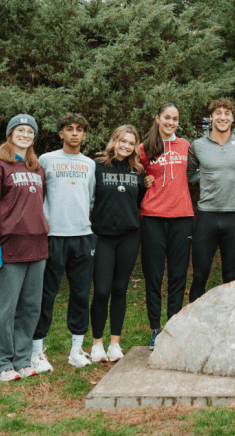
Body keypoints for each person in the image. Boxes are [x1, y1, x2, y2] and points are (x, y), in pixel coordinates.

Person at [0, 114, 49, 381]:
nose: (25, 135)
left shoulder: (36, 169)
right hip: (9, 249)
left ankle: (21, 360)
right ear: (10, 134)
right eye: (20, 130)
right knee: (4, 310)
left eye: (30, 131)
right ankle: (1, 364)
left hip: (38, 247)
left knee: (30, 308)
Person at [31, 113, 97, 371]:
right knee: (46, 294)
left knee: (81, 294)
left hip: (82, 236)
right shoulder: (46, 160)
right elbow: (37, 194)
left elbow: (90, 197)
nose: (73, 134)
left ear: (84, 135)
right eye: (68, 129)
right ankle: (36, 352)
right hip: (53, 236)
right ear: (60, 133)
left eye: (78, 130)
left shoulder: (90, 163)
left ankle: (76, 350)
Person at [140, 103, 194, 350]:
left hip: (182, 216)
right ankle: (155, 329)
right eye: (167, 118)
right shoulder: (144, 148)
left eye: (175, 118)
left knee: (178, 275)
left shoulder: (185, 145)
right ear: (157, 118)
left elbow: (197, 171)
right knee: (153, 275)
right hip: (152, 216)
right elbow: (134, 177)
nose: (171, 122)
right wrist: (143, 181)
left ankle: (173, 326)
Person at [89, 125, 145, 362]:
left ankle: (114, 344)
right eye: (123, 140)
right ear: (114, 140)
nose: (126, 145)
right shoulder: (97, 166)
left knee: (120, 289)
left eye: (131, 143)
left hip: (129, 236)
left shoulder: (137, 170)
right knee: (102, 290)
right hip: (102, 236)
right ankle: (97, 344)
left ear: (135, 147)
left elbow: (140, 200)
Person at [186, 99, 235, 302]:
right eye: (218, 113)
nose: (222, 117)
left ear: (232, 118)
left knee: (231, 277)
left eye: (227, 113)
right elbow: (186, 175)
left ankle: (228, 325)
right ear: (211, 117)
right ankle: (192, 324)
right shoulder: (197, 146)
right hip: (207, 217)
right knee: (199, 276)